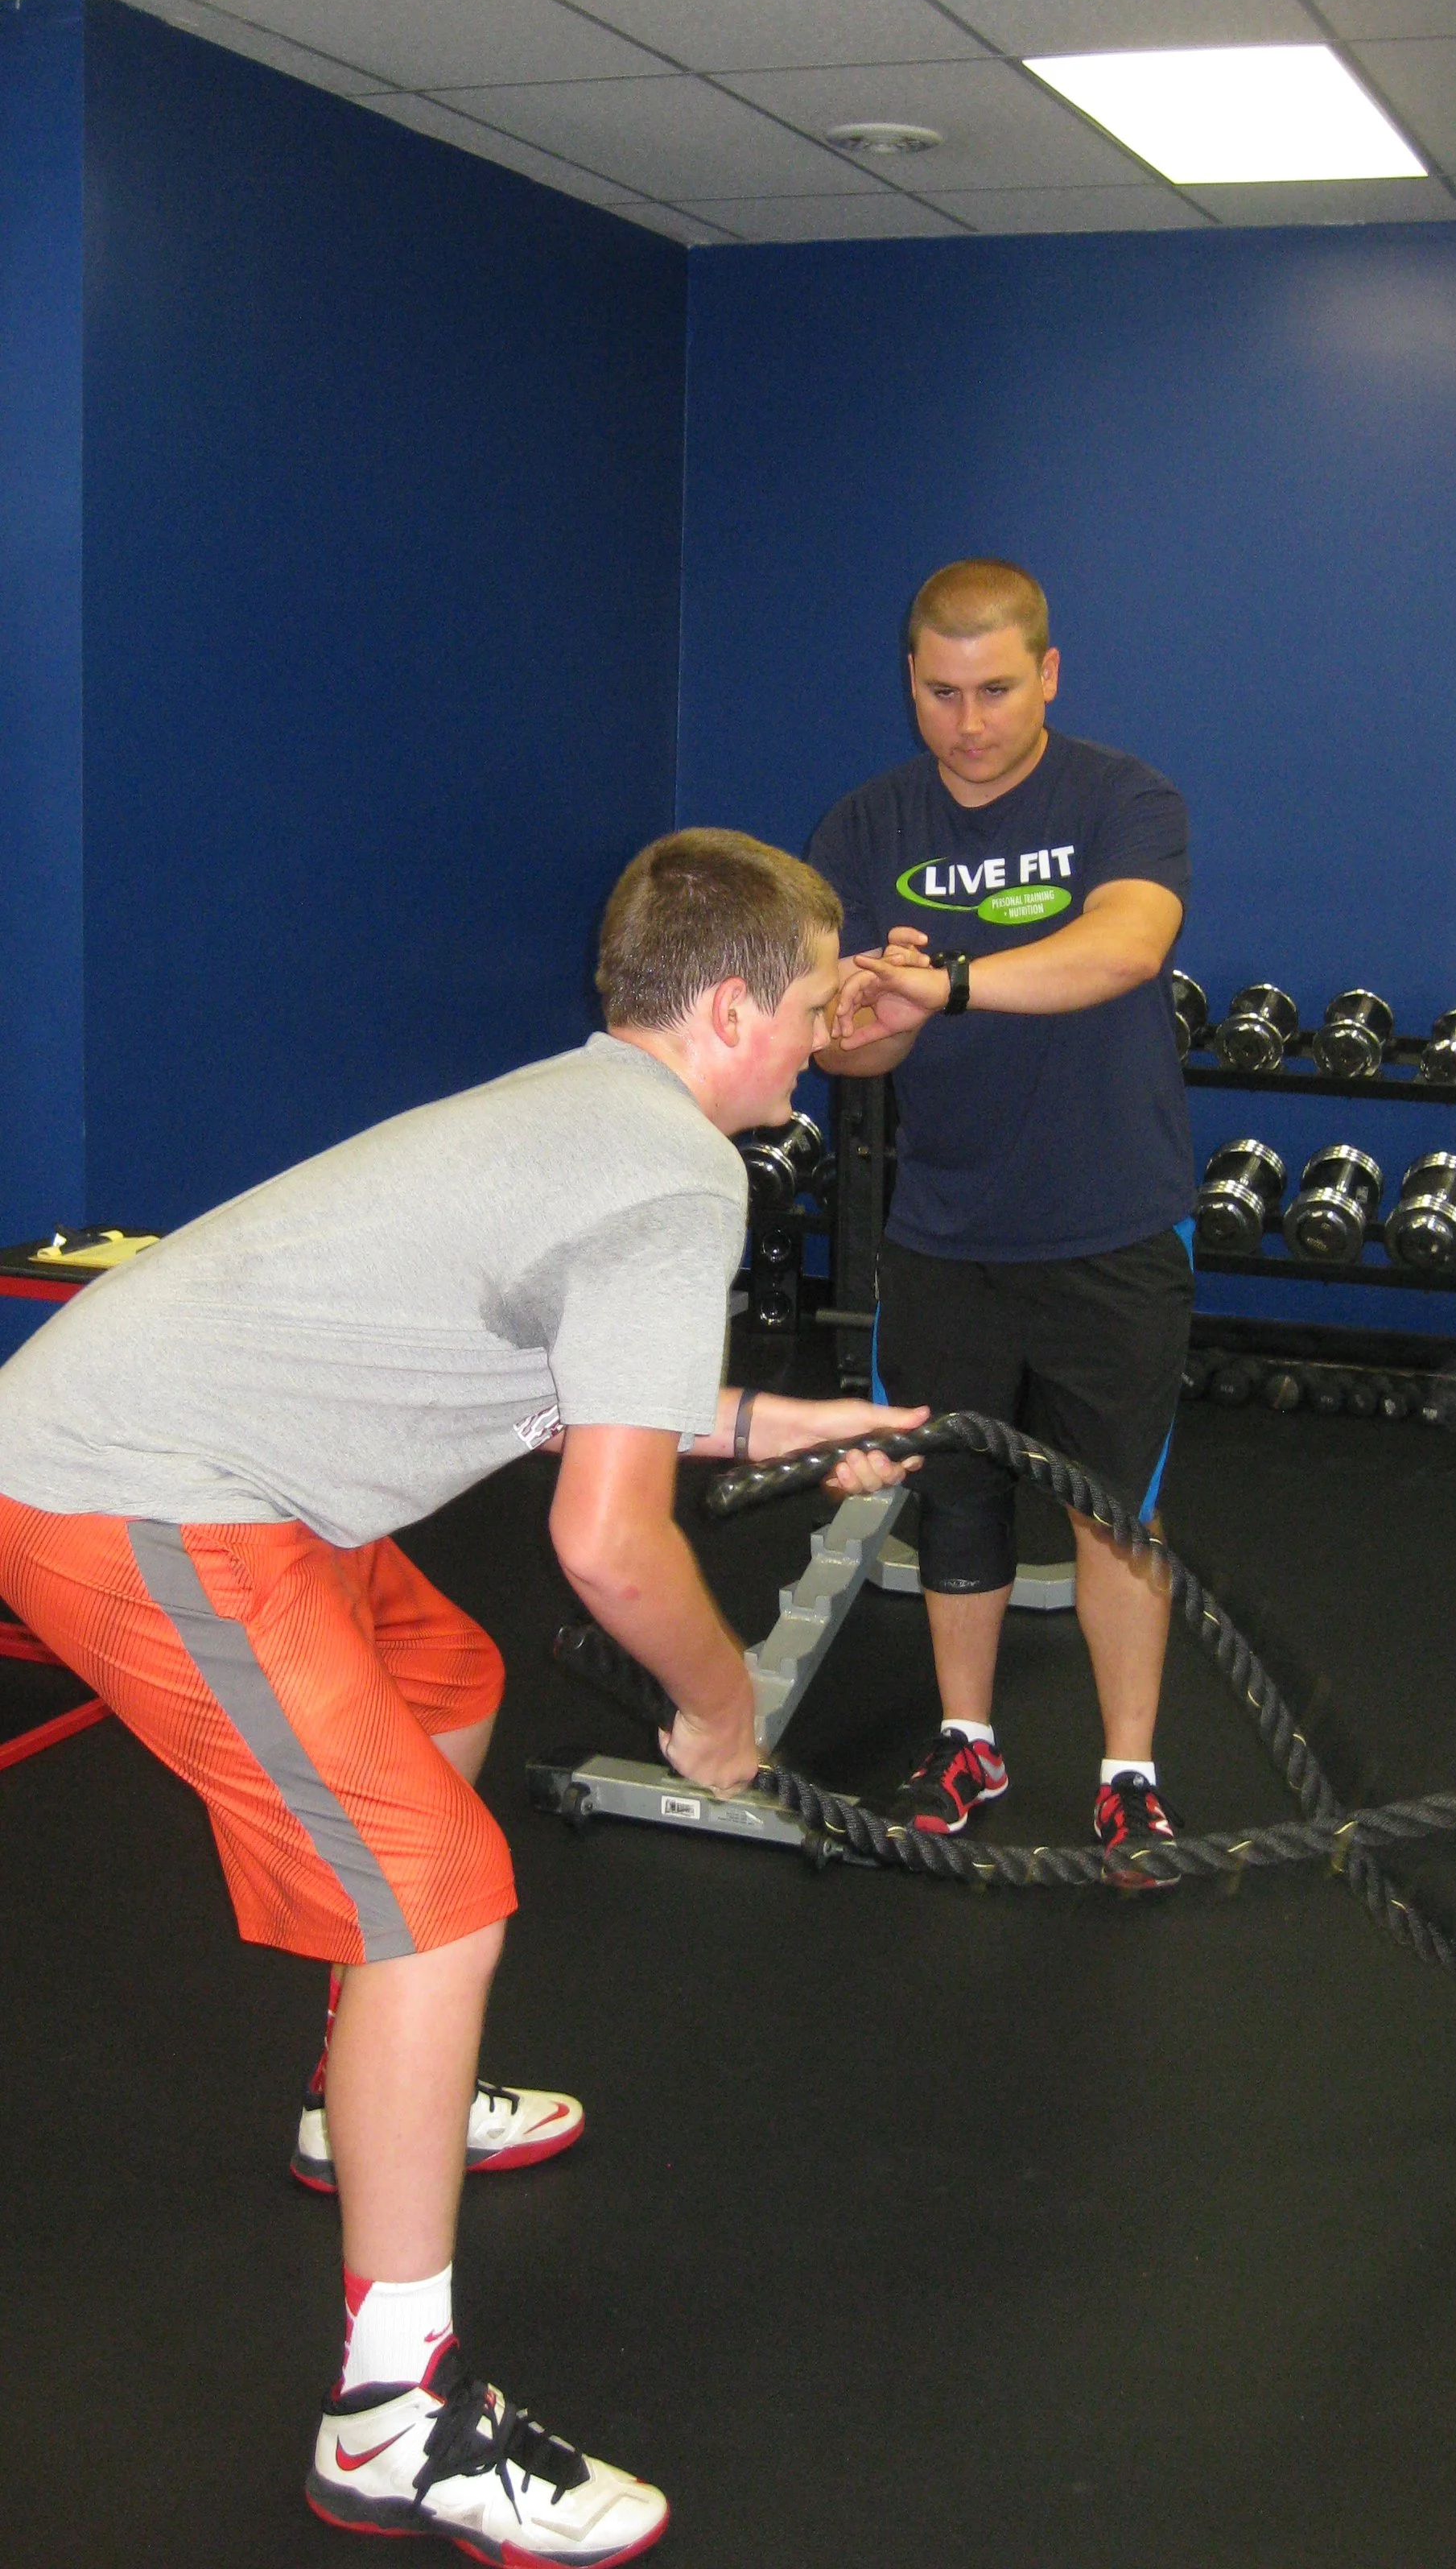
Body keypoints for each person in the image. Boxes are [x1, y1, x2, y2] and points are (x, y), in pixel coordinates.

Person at [0, 828, 926, 2564]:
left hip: (222, 1463)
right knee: (435, 1901)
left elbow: (566, 1369)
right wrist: (721, 1711)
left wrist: (769, 1423)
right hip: (139, 1495)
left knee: (444, 1673)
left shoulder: (591, 1111)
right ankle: (391, 2419)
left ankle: (357, 2093)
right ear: (732, 1006)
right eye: (807, 1005)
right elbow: (605, 1537)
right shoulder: (676, 1177)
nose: (819, 1038)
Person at [808, 557, 1195, 1886]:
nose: (967, 722)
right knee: (954, 1501)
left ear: (1047, 675)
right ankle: (966, 1741)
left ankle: (1128, 1770)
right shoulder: (864, 826)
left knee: (1114, 1518)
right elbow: (847, 1056)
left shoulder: (1122, 799)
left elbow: (1126, 947)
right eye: (939, 693)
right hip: (946, 1228)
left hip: (1113, 1224)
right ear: (909, 682)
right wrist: (870, 1007)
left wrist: (950, 982)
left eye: (993, 690)